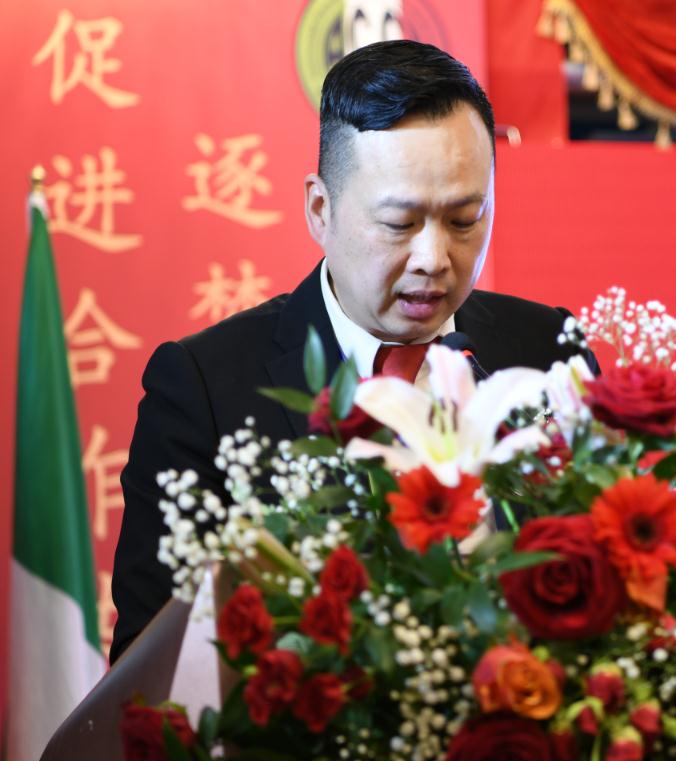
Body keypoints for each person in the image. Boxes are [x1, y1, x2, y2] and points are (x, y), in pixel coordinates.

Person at [110, 40, 595, 664]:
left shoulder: (548, 350)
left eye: (464, 219)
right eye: (399, 224)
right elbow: (151, 672)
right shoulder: (203, 390)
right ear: (321, 209)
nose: (433, 258)